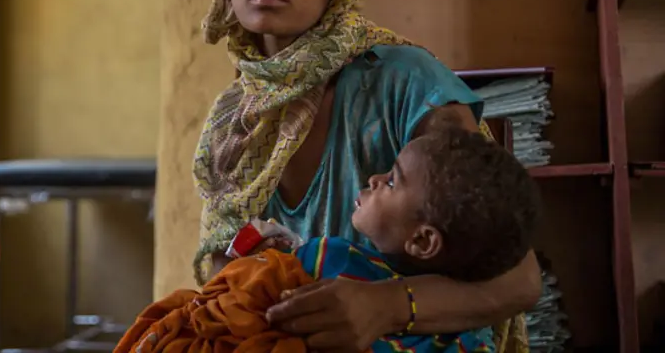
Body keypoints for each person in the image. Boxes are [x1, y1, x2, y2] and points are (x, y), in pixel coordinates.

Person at [192, 0, 541, 352]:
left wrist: (387, 305)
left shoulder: (404, 82)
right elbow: (224, 279)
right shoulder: (232, 124)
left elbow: (519, 280)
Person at [116, 128, 540, 353]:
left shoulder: (332, 259)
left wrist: (252, 258)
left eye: (392, 181)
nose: (375, 178)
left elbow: (233, 295)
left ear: (423, 241)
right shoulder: (471, 339)